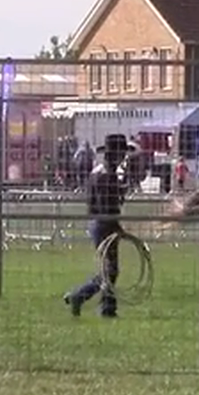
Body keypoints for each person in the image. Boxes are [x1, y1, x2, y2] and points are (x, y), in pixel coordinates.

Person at [63, 134, 137, 318]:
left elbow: (94, 202)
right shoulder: (107, 176)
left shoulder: (97, 172)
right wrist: (117, 227)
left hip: (98, 222)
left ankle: (104, 305)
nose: (123, 157)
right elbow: (107, 207)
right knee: (110, 270)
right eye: (121, 153)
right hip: (105, 224)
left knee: (109, 269)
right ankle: (84, 297)